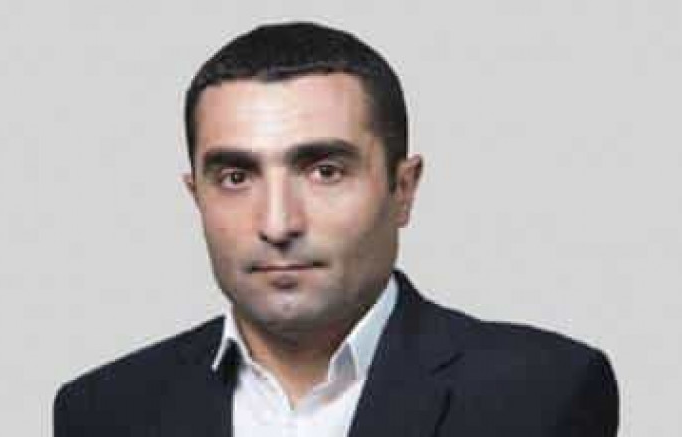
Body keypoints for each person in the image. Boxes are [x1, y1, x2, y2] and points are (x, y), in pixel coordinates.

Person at [53, 22, 619, 436]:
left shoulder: (543, 395)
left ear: (403, 188)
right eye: (235, 177)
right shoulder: (102, 412)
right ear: (195, 195)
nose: (277, 223)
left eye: (325, 171)